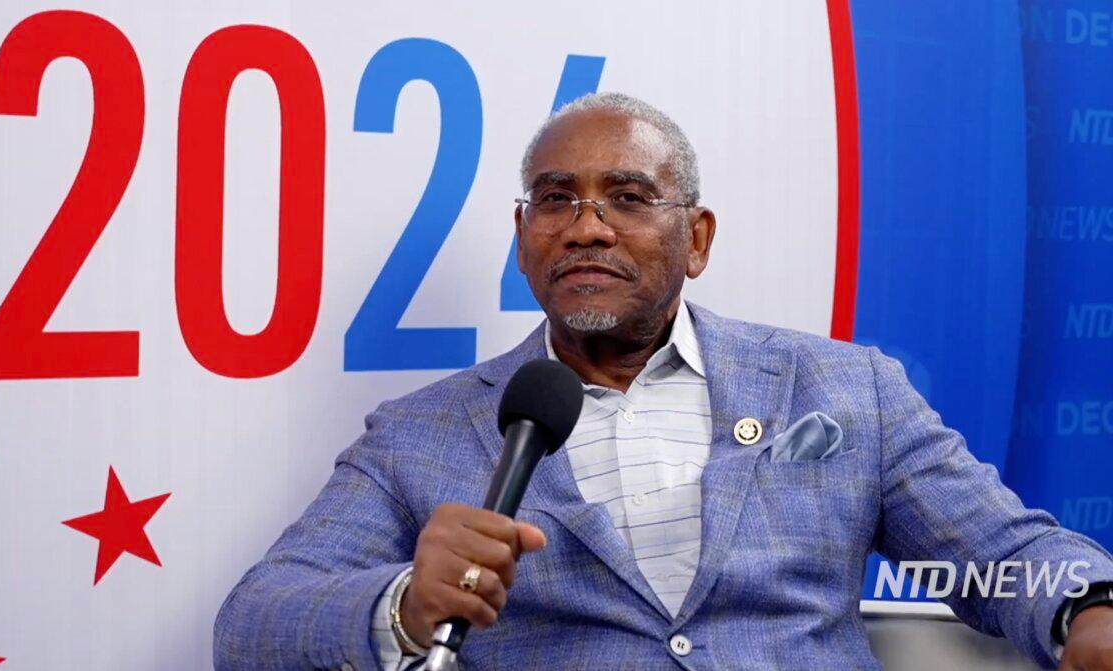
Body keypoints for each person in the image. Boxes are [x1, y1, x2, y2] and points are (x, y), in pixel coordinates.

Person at [213, 92, 1113, 670]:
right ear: (524, 235)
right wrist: (405, 603)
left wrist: (1088, 607)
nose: (587, 226)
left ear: (699, 237)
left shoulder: (842, 389)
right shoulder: (423, 432)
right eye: (557, 198)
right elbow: (253, 624)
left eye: (630, 198)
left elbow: (1004, 553)